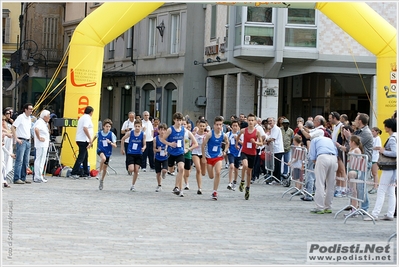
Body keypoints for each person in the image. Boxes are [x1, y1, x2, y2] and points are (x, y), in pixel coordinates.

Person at [365, 118, 397, 221]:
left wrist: (383, 151)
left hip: (389, 167)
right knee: (391, 191)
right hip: (393, 167)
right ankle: (390, 213)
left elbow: (395, 153)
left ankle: (375, 214)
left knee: (382, 190)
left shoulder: (392, 138)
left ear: (388, 127)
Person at [342, 113, 373, 213]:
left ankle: (364, 207)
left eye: (356, 119)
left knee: (361, 186)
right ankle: (354, 205)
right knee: (355, 185)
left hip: (363, 162)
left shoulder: (366, 133)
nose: (354, 120)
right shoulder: (358, 131)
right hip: (357, 163)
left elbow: (356, 144)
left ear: (360, 121)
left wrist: (349, 137)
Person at [161, 112, 197, 197]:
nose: (179, 122)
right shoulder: (170, 130)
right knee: (171, 170)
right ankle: (166, 172)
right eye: (177, 120)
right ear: (174, 120)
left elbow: (194, 142)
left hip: (180, 152)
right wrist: (169, 144)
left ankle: (177, 188)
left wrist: (187, 149)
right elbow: (162, 139)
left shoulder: (184, 130)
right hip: (171, 152)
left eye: (180, 120)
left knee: (181, 169)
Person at [202, 115, 230, 200]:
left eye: (220, 124)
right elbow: (203, 145)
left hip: (218, 156)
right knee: (211, 176)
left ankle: (215, 191)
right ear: (214, 125)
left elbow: (227, 143)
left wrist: (224, 151)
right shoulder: (210, 134)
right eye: (217, 124)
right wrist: (203, 157)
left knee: (218, 172)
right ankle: (213, 180)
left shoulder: (223, 135)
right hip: (209, 156)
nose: (218, 126)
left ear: (222, 126)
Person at [308, 136, 338, 214]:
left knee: (320, 183)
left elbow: (312, 155)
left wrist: (316, 163)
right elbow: (336, 150)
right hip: (333, 158)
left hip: (322, 157)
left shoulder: (314, 140)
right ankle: (328, 206)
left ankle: (320, 207)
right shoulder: (329, 139)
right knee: (331, 184)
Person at [235, 113, 262, 200]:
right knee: (245, 165)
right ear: (247, 121)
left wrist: (255, 143)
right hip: (244, 151)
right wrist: (237, 144)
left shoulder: (257, 132)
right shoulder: (244, 130)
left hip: (253, 153)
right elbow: (238, 136)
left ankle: (247, 188)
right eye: (249, 120)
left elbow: (261, 143)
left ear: (255, 121)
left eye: (252, 120)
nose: (250, 122)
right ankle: (242, 181)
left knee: (249, 172)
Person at [91, 119, 117, 190]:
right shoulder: (99, 133)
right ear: (103, 127)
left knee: (105, 169)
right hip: (100, 150)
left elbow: (115, 145)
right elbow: (95, 137)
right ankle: (99, 172)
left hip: (107, 152)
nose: (108, 128)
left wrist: (110, 143)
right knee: (103, 158)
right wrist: (91, 143)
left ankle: (101, 180)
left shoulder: (111, 134)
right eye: (106, 126)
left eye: (109, 126)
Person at [11, 103, 34, 184]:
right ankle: (17, 178)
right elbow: (13, 127)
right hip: (21, 140)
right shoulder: (21, 117)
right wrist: (16, 138)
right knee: (19, 160)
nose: (31, 111)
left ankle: (23, 177)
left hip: (27, 140)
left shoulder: (29, 118)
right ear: (26, 109)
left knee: (25, 161)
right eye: (30, 109)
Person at [121, 119, 146, 191]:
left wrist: (144, 148)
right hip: (131, 153)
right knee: (131, 169)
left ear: (141, 127)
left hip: (139, 153)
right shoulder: (130, 133)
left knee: (136, 170)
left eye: (139, 126)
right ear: (134, 126)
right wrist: (122, 149)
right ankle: (129, 169)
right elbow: (123, 139)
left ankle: (133, 185)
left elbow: (144, 144)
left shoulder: (143, 134)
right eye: (136, 126)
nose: (137, 128)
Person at [71, 106, 94, 179]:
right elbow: (85, 128)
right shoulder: (87, 118)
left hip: (80, 139)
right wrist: (90, 138)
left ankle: (85, 172)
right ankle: (74, 172)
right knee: (81, 157)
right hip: (83, 140)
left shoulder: (82, 117)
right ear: (91, 112)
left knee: (85, 157)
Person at [344, 135, 364, 215]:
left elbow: (360, 161)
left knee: (354, 190)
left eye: (350, 141)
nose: (349, 143)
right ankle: (353, 206)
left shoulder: (357, 150)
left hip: (355, 171)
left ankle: (355, 207)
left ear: (353, 142)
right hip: (351, 169)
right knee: (351, 189)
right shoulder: (352, 149)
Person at [33, 110, 51, 183]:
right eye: (48, 116)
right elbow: (36, 129)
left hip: (43, 144)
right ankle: (38, 176)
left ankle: (39, 175)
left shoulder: (43, 123)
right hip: (41, 144)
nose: (49, 117)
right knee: (40, 160)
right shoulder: (40, 122)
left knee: (41, 160)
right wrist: (39, 137)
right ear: (45, 116)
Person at [265, 117, 284, 183]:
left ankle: (277, 179)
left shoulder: (276, 128)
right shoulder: (272, 129)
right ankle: (275, 177)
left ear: (274, 121)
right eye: (268, 121)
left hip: (278, 149)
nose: (270, 122)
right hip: (274, 149)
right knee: (274, 164)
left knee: (277, 164)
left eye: (271, 121)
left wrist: (266, 141)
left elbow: (273, 138)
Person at [191, 119, 208, 194]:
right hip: (195, 152)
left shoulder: (207, 135)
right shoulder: (194, 134)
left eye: (203, 126)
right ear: (198, 126)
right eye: (200, 126)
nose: (201, 127)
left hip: (203, 154)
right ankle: (199, 188)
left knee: (203, 173)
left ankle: (200, 184)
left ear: (205, 127)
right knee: (198, 169)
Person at [182, 119, 198, 191]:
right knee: (181, 169)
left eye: (184, 124)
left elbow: (195, 144)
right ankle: (183, 185)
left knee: (187, 172)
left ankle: (186, 180)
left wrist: (189, 149)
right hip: (180, 153)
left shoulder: (189, 133)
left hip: (188, 153)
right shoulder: (177, 133)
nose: (183, 126)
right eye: (182, 124)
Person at [226, 120, 241, 191]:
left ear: (238, 127)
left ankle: (234, 181)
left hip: (238, 153)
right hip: (230, 152)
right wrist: (226, 146)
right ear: (231, 126)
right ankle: (230, 182)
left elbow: (243, 143)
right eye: (233, 126)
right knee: (231, 166)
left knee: (236, 168)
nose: (235, 127)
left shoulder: (240, 134)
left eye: (236, 126)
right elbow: (225, 142)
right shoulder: (228, 134)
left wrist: (238, 140)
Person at [153, 123, 168, 192]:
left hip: (165, 157)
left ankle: (164, 173)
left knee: (164, 170)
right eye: (161, 130)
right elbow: (153, 149)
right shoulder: (155, 139)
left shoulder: (167, 139)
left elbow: (170, 147)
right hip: (158, 157)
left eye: (164, 130)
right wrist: (157, 150)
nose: (162, 131)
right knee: (158, 173)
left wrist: (167, 152)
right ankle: (159, 185)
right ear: (158, 130)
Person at [369, 127, 382, 194]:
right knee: (372, 173)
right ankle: (374, 186)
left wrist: (371, 148)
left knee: (375, 173)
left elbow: (379, 147)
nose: (372, 132)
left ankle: (375, 187)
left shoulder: (378, 138)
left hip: (375, 157)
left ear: (377, 132)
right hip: (371, 157)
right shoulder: (372, 138)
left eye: (373, 131)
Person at [2, 110, 14, 177]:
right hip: (4, 142)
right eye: (7, 113)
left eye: (10, 113)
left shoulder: (10, 122)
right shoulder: (3, 124)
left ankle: (5, 175)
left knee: (7, 159)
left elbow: (14, 130)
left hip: (8, 142)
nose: (9, 115)